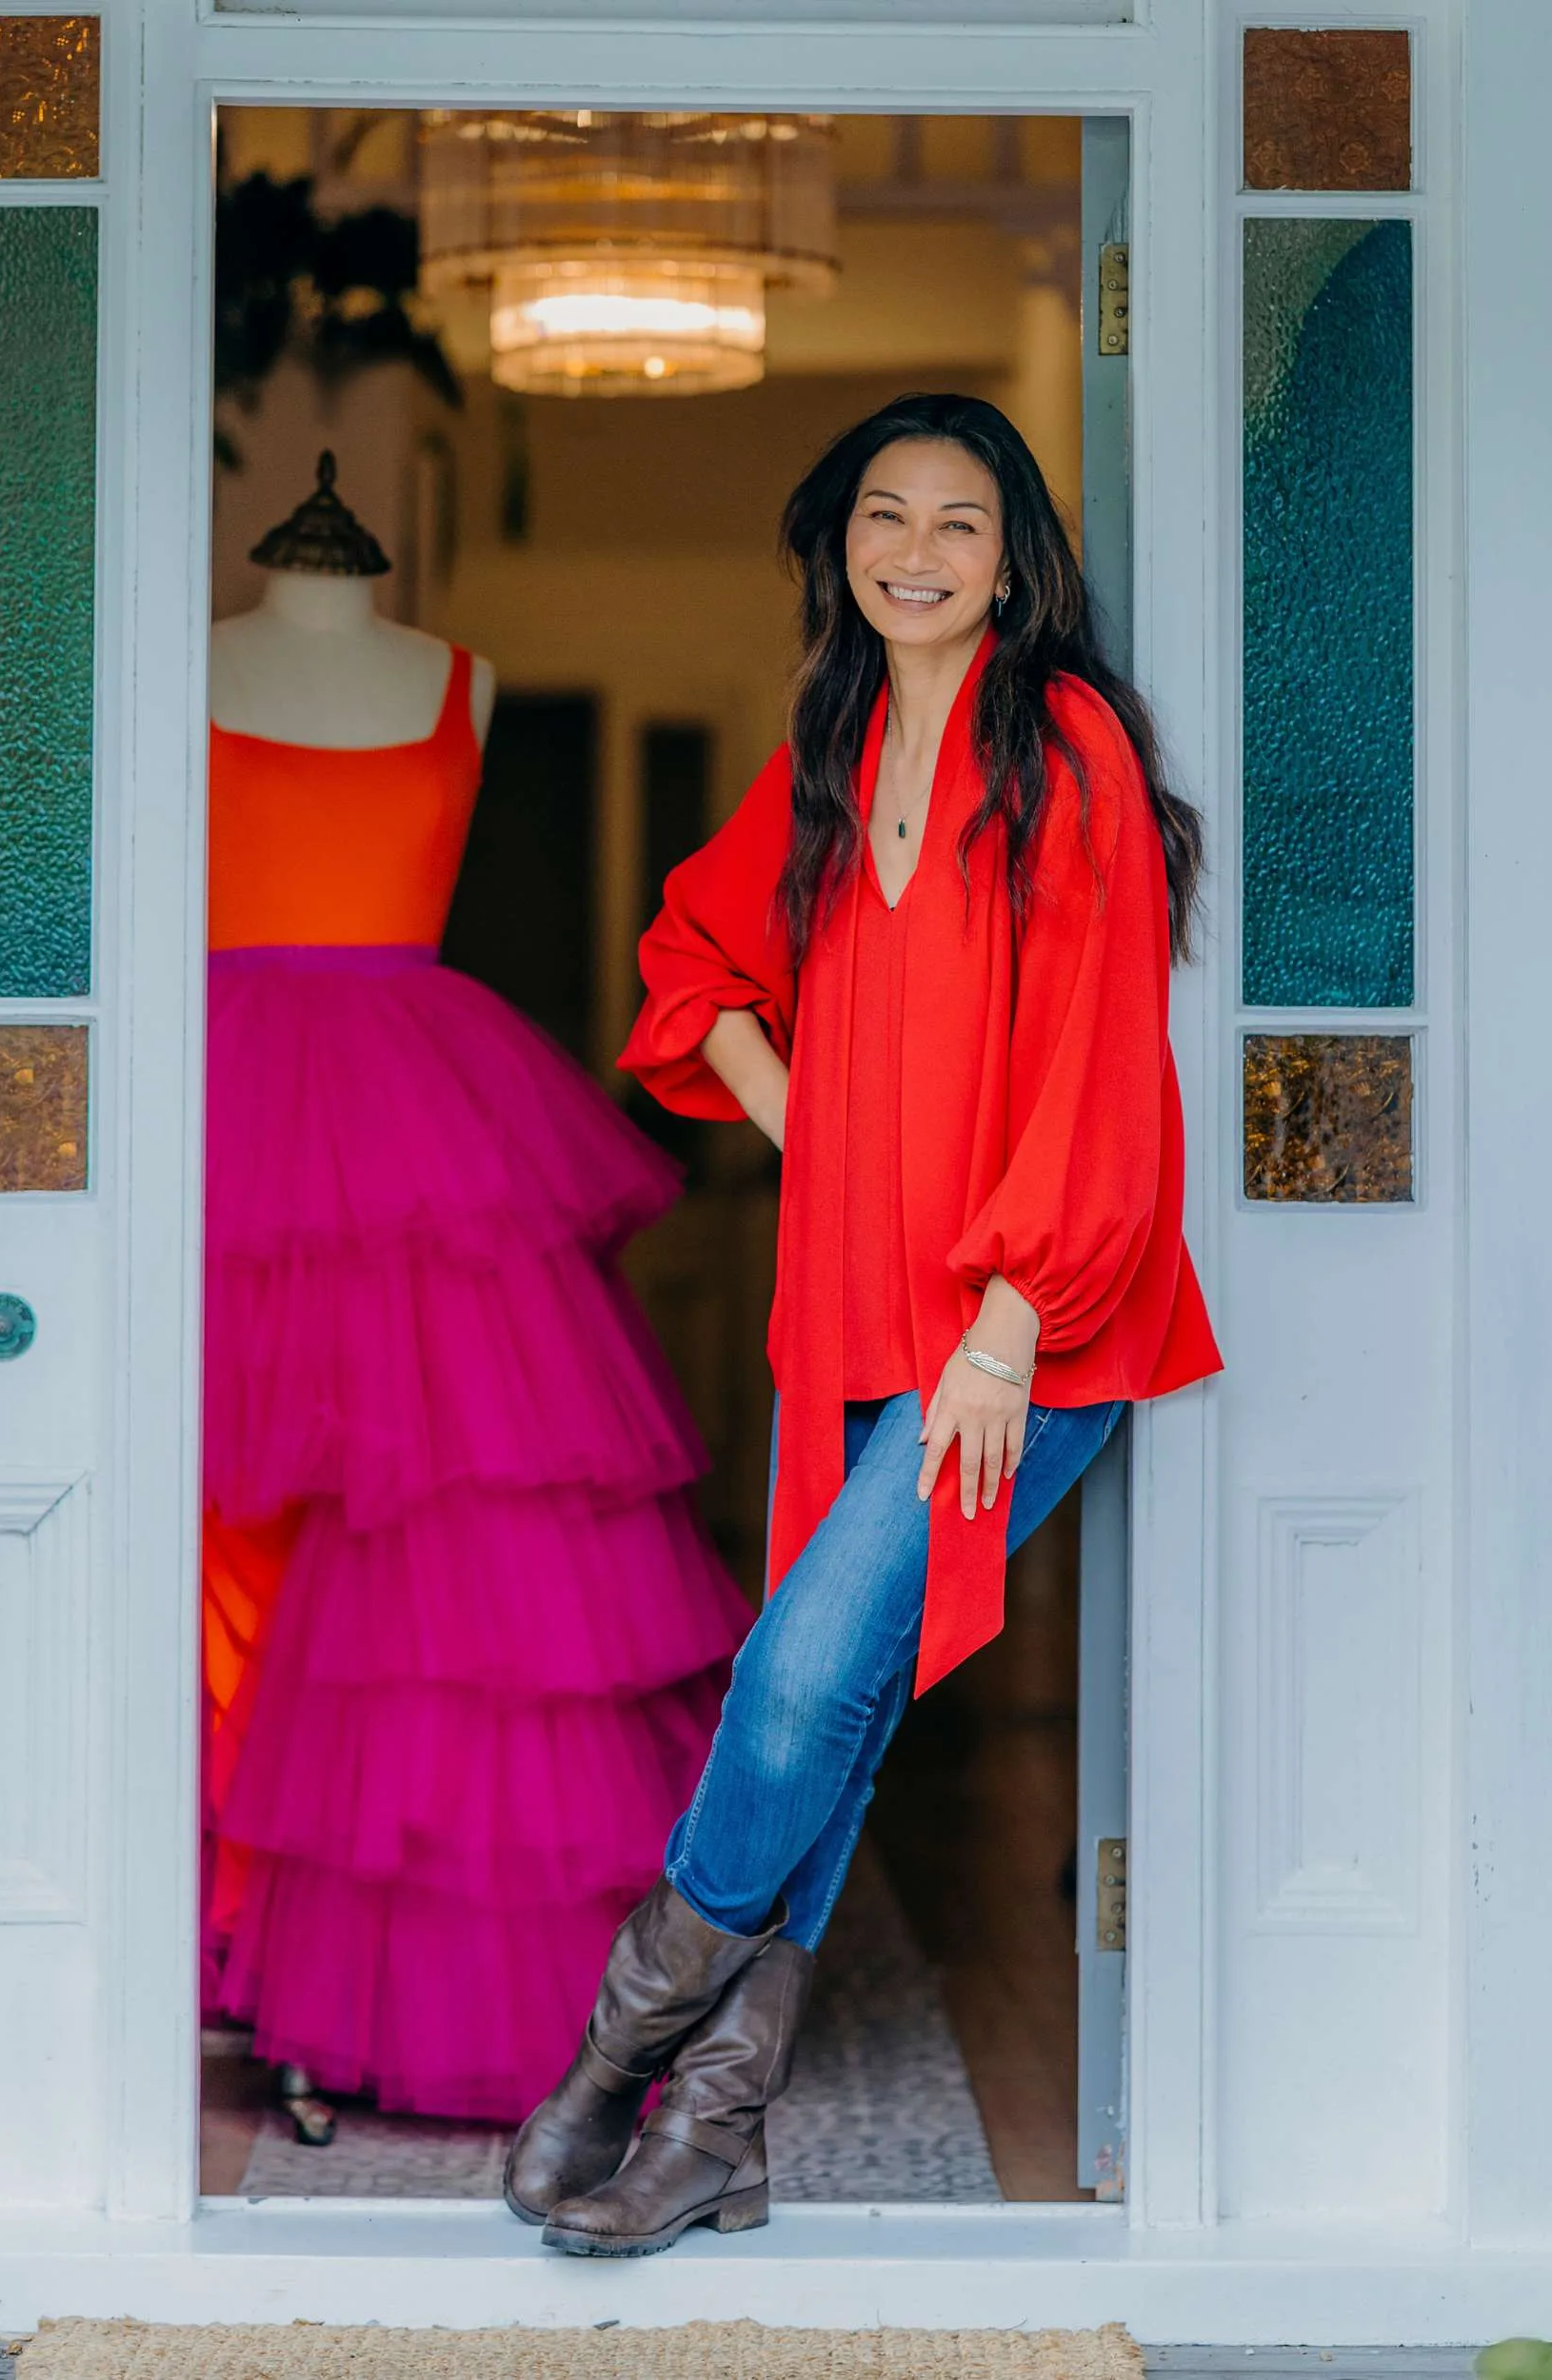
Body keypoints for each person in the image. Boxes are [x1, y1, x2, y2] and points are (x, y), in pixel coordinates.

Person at [503, 392, 1223, 2256]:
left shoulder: (1059, 742)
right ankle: (720, 2129)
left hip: (1031, 1324)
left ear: (1018, 558)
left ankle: (618, 2050)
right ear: (841, 545)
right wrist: (803, 1108)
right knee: (837, 1707)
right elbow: (690, 958)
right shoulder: (832, 737)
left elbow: (1096, 1062)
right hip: (860, 1303)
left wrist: (1001, 1325)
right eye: (884, 516)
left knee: (803, 1674)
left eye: (960, 523)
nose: (916, 551)